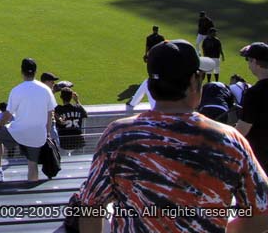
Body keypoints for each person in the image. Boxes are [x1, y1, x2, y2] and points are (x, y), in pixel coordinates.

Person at [77, 40, 268, 233]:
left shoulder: (117, 135)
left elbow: (90, 208)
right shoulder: (229, 139)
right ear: (194, 82)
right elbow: (263, 213)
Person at [0, 58, 57, 183]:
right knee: (32, 165)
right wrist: (47, 133)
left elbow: (8, 114)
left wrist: (0, 125)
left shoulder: (17, 90)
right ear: (35, 72)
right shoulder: (46, 90)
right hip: (38, 135)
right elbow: (50, 115)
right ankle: (31, 193)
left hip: (19, 132)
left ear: (21, 71)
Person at [237, 43, 268, 172]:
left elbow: (242, 130)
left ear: (254, 61)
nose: (249, 66)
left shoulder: (254, 93)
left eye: (248, 61)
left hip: (260, 158)